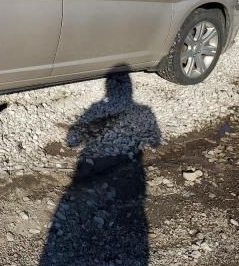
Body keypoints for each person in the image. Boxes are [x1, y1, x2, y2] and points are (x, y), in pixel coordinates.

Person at [39, 72, 161, 265]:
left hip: (92, 174)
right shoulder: (144, 111)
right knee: (121, 221)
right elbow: (155, 140)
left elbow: (72, 140)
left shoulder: (97, 109)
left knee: (89, 219)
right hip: (129, 180)